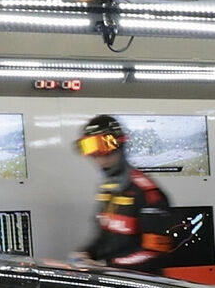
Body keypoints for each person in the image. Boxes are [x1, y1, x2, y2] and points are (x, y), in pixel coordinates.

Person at [74, 115, 176, 272]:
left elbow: (154, 252)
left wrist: (109, 266)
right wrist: (86, 254)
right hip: (115, 283)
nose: (101, 161)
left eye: (106, 153)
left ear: (120, 147)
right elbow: (105, 237)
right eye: (95, 156)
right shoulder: (109, 190)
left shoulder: (147, 192)